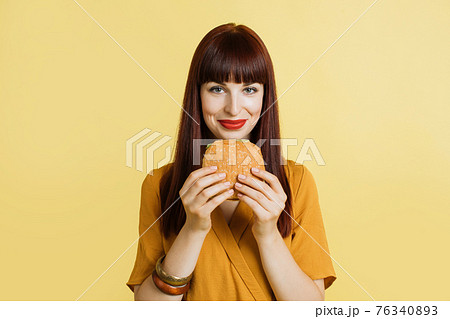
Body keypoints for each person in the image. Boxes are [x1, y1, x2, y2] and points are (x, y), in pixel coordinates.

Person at [126, 22, 336, 301]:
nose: (234, 108)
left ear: (266, 95)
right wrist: (193, 228)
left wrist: (268, 233)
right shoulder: (160, 185)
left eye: (249, 89)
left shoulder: (296, 181)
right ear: (197, 94)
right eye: (217, 89)